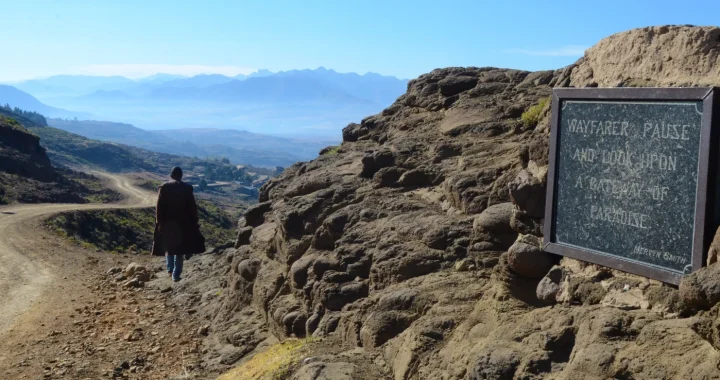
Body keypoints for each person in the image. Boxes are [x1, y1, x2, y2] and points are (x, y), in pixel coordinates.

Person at [152, 167, 200, 282]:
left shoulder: (164, 188)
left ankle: (170, 270)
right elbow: (192, 208)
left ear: (171, 175)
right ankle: (176, 274)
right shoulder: (187, 188)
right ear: (181, 175)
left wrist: (159, 222)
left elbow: (159, 207)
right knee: (180, 249)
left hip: (168, 223)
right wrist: (195, 222)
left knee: (169, 246)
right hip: (183, 224)